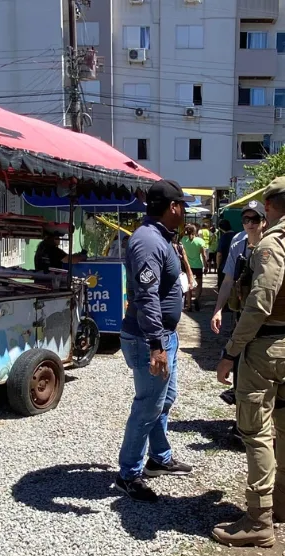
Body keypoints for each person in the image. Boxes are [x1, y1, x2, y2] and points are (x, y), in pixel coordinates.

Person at [213, 177, 285, 547]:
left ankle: (259, 519)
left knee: (256, 430)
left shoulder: (272, 245)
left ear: (270, 206)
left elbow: (258, 303)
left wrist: (231, 351)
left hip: (265, 348)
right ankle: (283, 504)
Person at [116, 179, 195, 502]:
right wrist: (156, 346)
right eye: (183, 207)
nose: (186, 213)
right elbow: (147, 298)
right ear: (173, 207)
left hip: (165, 335)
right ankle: (128, 474)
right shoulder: (148, 241)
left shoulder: (160, 237)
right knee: (148, 407)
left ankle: (158, 458)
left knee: (165, 397)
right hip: (149, 337)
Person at [209, 200, 266, 405]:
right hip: (242, 311)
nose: (250, 223)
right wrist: (217, 310)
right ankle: (241, 412)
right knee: (239, 357)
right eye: (246, 219)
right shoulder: (237, 243)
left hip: (266, 314)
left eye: (255, 219)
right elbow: (227, 280)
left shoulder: (272, 243)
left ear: (264, 221)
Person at [181, 224, 206, 311]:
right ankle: (196, 299)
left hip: (186, 266)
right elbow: (203, 255)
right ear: (195, 231)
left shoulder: (183, 240)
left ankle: (189, 305)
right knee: (199, 285)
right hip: (198, 266)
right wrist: (206, 266)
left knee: (188, 286)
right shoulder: (200, 241)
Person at [214, 218, 235, 289]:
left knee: (223, 287)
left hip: (224, 266)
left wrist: (218, 266)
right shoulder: (237, 236)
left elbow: (219, 254)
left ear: (221, 229)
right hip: (236, 266)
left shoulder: (223, 238)